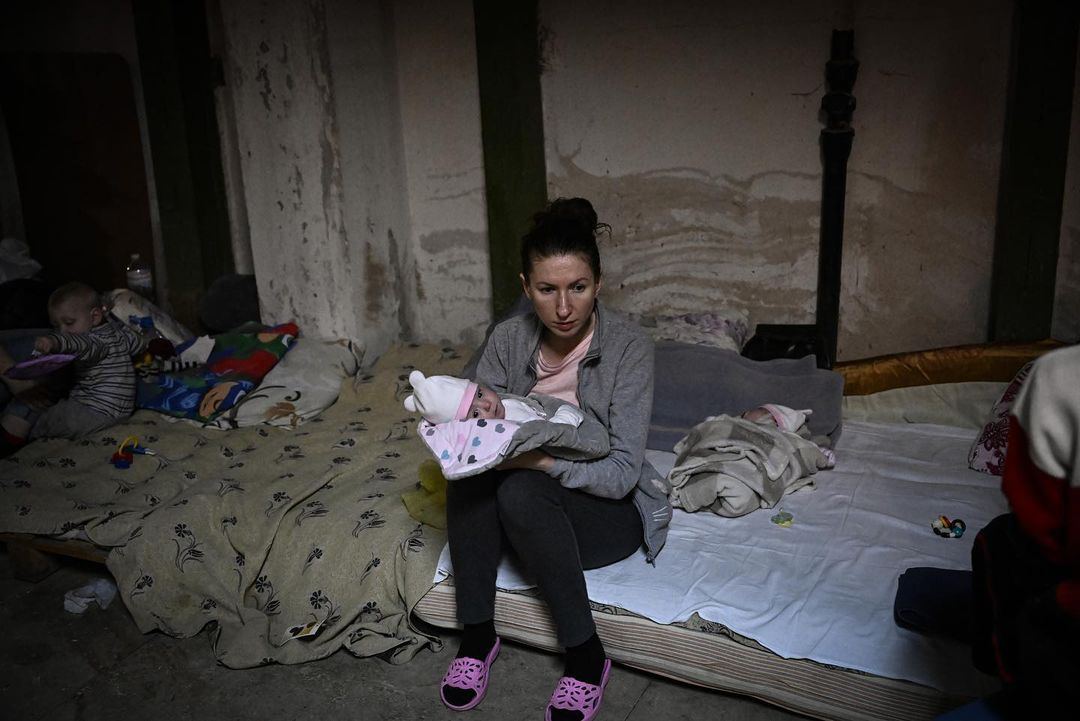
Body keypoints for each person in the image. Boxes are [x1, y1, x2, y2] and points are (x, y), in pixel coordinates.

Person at [438, 197, 672, 721]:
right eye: (547, 290)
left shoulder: (630, 348)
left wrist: (539, 463)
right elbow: (473, 425)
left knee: (520, 489)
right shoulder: (508, 339)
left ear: (599, 283)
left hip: (606, 513)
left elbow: (621, 475)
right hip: (526, 509)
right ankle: (477, 636)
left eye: (578, 288)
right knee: (466, 475)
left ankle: (586, 655)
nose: (564, 308)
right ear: (526, 288)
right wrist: (471, 424)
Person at [970, 344, 1080, 716]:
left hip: (1065, 620)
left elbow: (1034, 514)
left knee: (997, 542)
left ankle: (996, 673)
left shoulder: (1062, 376)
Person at [0, 282, 145, 456]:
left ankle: (19, 437)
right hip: (122, 412)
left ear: (95, 316)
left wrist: (53, 341)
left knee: (48, 416)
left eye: (69, 323)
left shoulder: (93, 342)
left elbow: (77, 343)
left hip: (92, 413)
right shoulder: (119, 334)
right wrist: (149, 342)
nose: (63, 331)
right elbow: (138, 343)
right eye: (56, 326)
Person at [403, 370, 585, 426]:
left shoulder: (507, 402)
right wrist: (564, 419)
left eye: (479, 394)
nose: (486, 404)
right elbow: (544, 437)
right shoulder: (503, 431)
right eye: (475, 414)